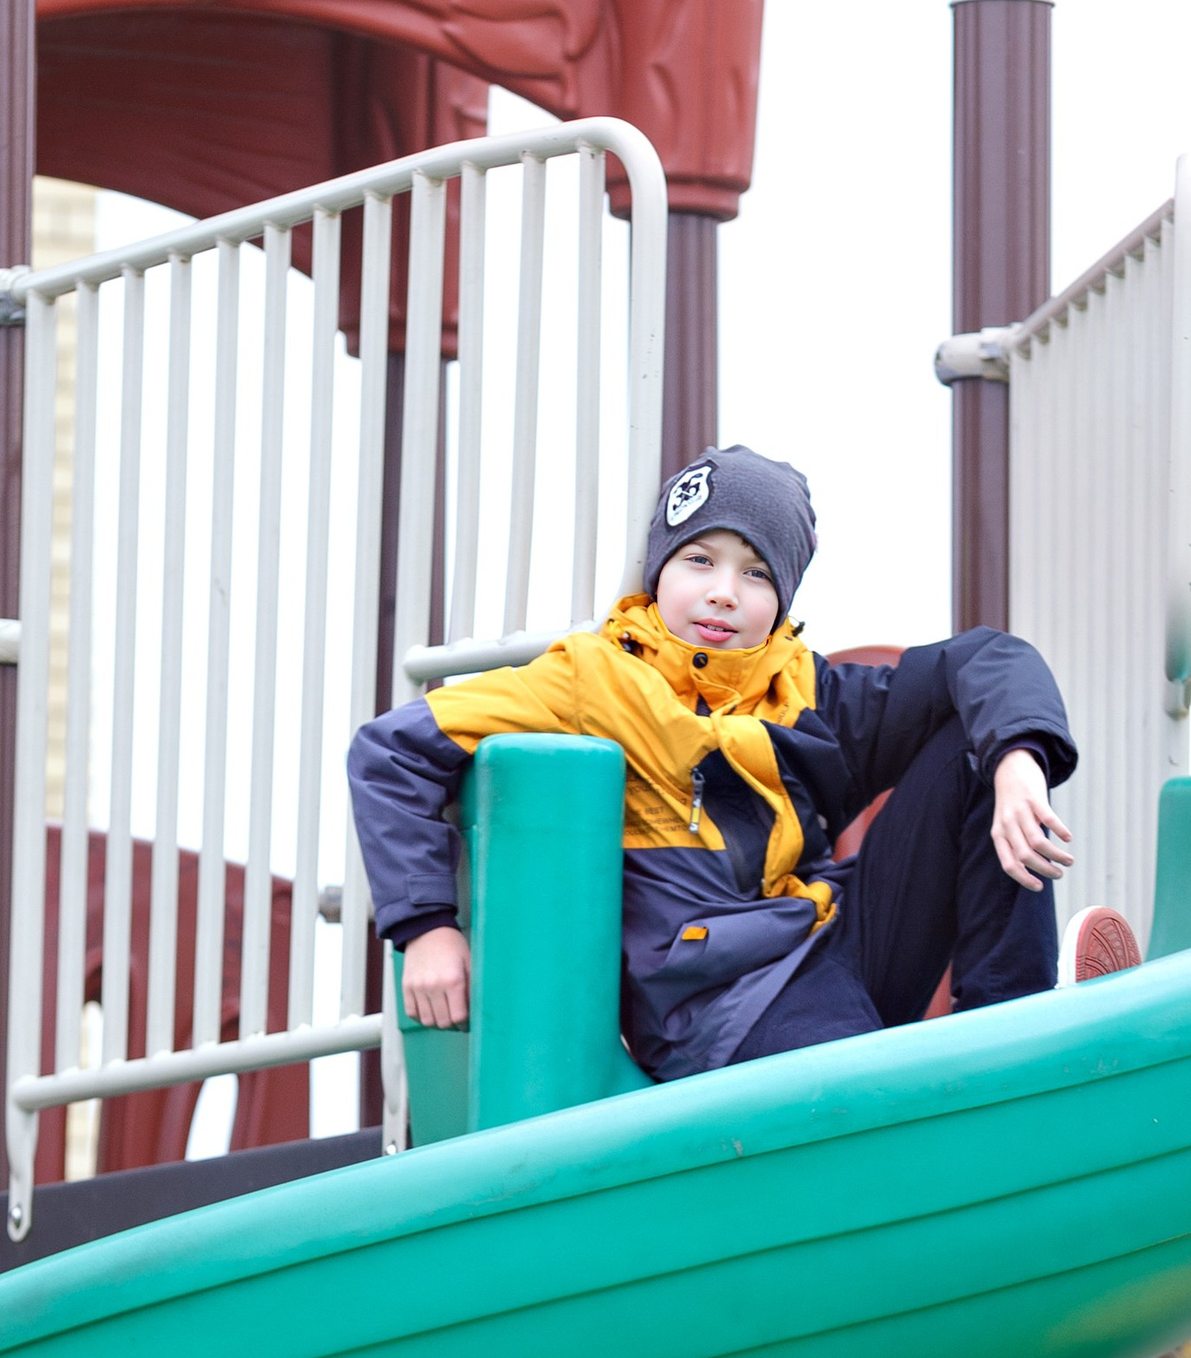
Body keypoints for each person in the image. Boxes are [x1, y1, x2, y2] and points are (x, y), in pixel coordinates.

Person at [348, 442, 1140, 1086]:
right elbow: (389, 752)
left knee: (976, 744)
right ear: (659, 569)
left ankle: (1015, 1034)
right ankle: (946, 1106)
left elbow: (990, 658)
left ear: (784, 595)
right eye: (700, 560)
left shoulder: (805, 692)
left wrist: (1019, 764)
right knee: (868, 1092)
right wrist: (427, 928)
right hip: (717, 1001)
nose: (724, 592)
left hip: (833, 949)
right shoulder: (592, 677)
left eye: (756, 573)